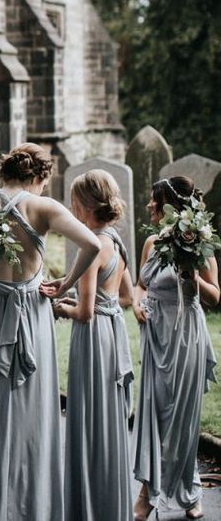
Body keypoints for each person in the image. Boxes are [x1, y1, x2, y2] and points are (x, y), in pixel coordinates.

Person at [0, 143, 101, 521]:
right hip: (30, 312)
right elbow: (93, 243)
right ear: (41, 176)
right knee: (30, 412)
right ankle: (28, 507)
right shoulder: (44, 208)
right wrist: (66, 283)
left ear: (5, 172)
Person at [41, 170, 134, 521]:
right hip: (114, 334)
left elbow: (84, 313)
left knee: (89, 419)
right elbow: (124, 296)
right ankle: (111, 502)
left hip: (93, 340)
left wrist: (56, 307)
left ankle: (90, 507)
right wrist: (65, 284)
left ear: (84, 206)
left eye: (73, 202)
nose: (70, 207)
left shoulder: (91, 247)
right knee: (107, 419)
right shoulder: (116, 241)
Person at [132, 176, 219, 520]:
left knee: (182, 418)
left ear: (171, 206)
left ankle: (190, 488)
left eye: (155, 201)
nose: (150, 206)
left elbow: (215, 296)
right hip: (156, 336)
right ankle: (148, 492)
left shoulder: (200, 244)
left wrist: (192, 275)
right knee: (154, 414)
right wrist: (138, 304)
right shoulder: (152, 243)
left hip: (186, 336)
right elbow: (141, 284)